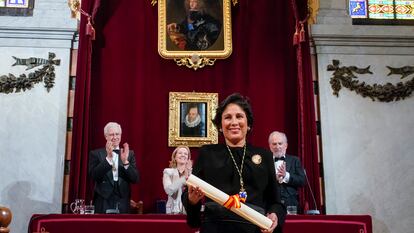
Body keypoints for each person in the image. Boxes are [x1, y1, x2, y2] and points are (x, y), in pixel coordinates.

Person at [182, 93, 285, 233]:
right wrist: (192, 200)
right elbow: (190, 193)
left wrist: (274, 214)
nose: (234, 122)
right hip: (215, 228)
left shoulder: (265, 155)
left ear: (248, 124)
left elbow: (275, 202)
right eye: (227, 117)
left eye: (239, 116)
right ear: (220, 126)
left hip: (254, 228)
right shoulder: (207, 153)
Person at [88, 122, 139, 214]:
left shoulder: (129, 154)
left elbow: (135, 179)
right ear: (106, 136)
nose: (115, 137)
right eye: (111, 134)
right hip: (103, 200)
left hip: (123, 201)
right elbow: (93, 176)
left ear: (121, 135)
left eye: (117, 134)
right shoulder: (96, 154)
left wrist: (125, 162)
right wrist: (108, 159)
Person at [268, 131, 305, 212]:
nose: (277, 146)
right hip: (271, 204)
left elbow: (302, 181)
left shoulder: (295, 160)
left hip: (291, 204)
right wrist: (273, 178)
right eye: (274, 144)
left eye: (280, 143)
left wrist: (286, 175)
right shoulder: (265, 161)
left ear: (286, 145)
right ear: (270, 146)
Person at [163, 146, 193, 214]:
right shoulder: (168, 172)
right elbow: (169, 190)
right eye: (180, 153)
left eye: (185, 154)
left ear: (188, 158)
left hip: (189, 211)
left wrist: (188, 172)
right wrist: (184, 178)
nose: (183, 155)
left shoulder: (193, 173)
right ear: (175, 157)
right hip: (172, 211)